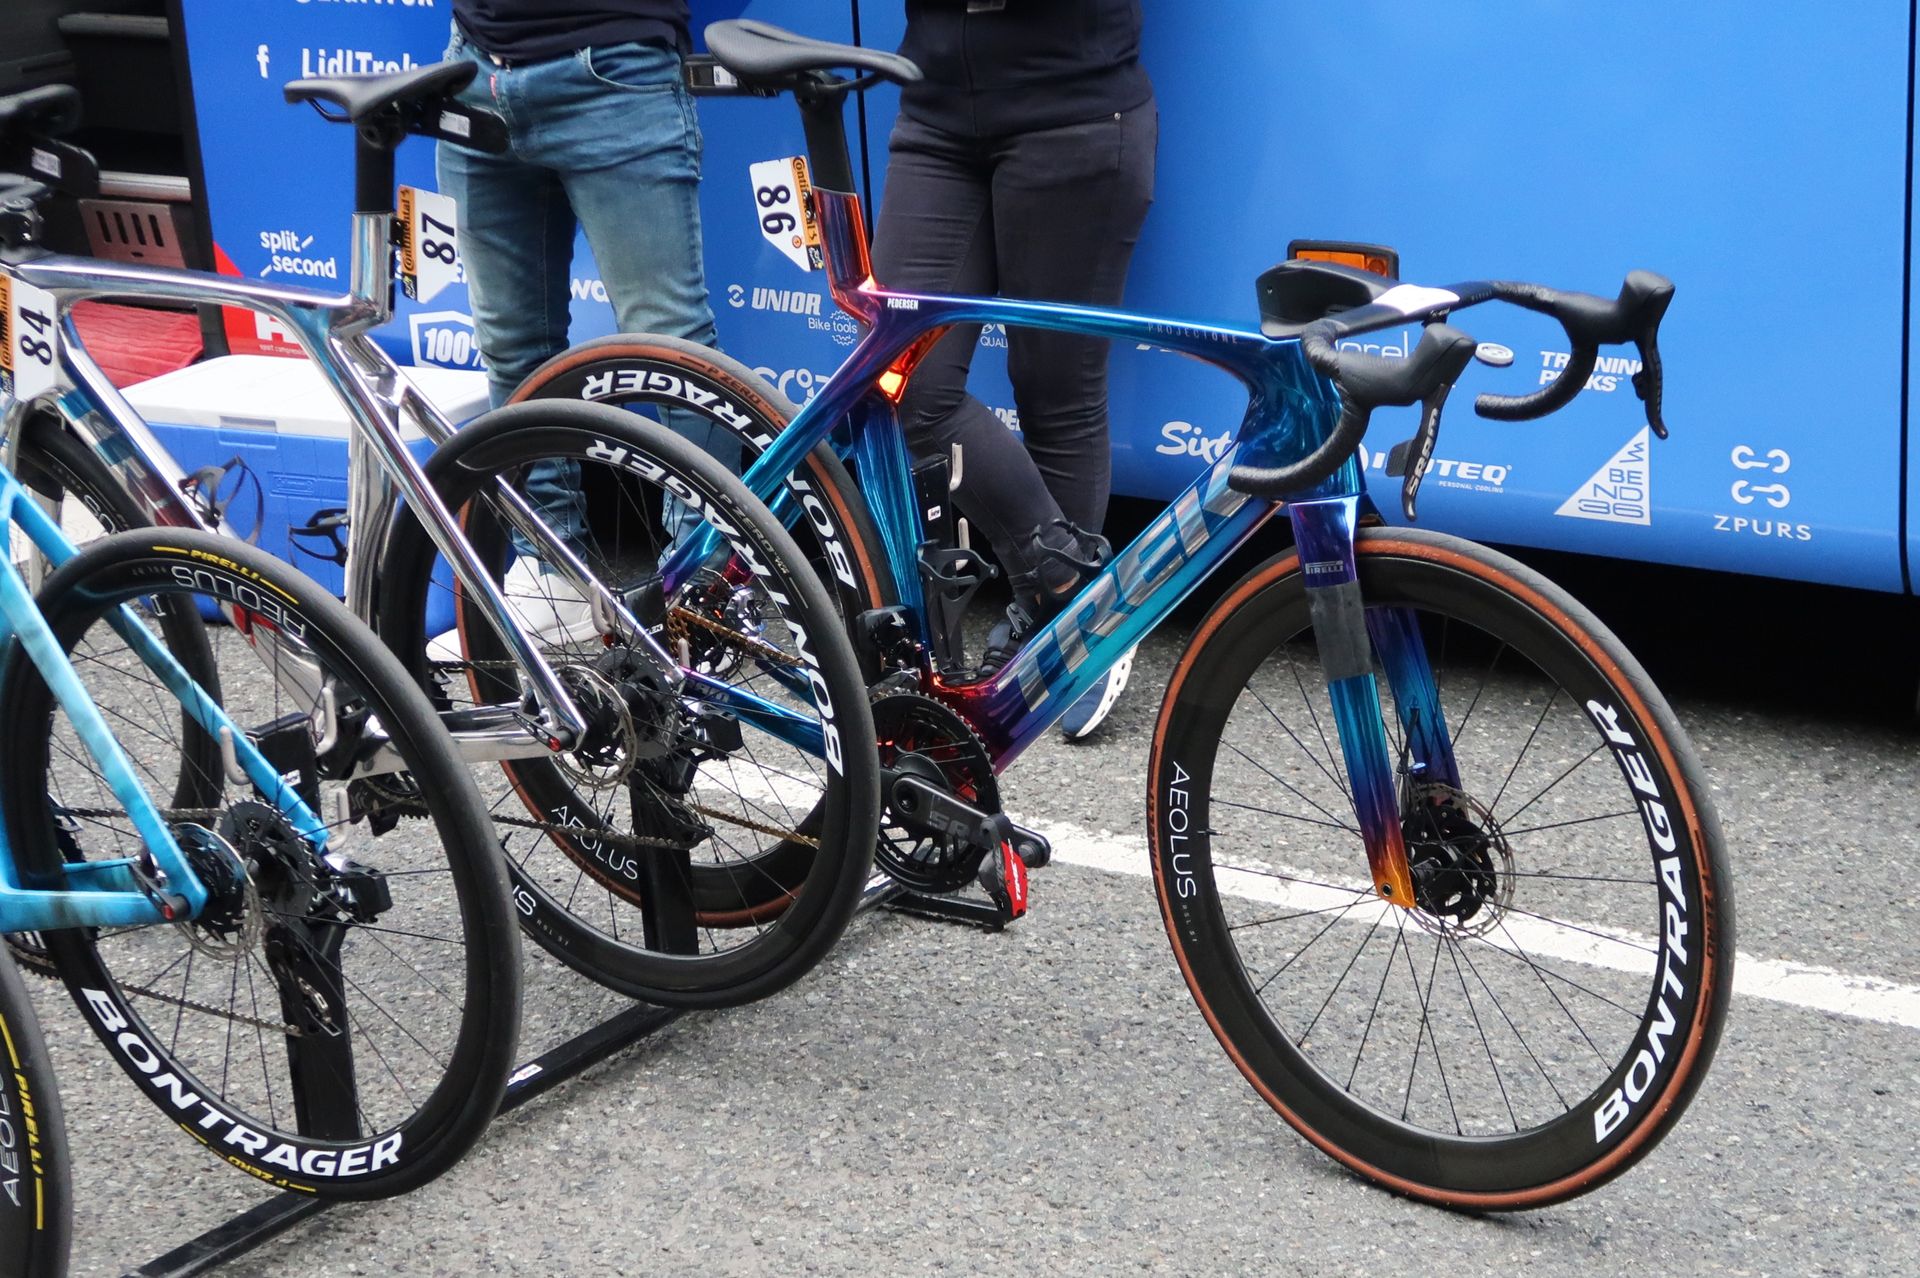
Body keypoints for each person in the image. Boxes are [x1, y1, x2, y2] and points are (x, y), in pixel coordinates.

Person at [871, 0, 1156, 740]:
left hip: (1075, 109)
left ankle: (1060, 635)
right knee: (906, 383)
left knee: (1056, 389)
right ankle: (1075, 592)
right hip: (936, 111)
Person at [433, 0, 735, 650]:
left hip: (612, 65)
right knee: (513, 350)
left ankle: (702, 596)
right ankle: (550, 577)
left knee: (671, 348)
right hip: (475, 68)